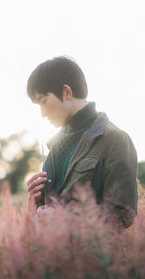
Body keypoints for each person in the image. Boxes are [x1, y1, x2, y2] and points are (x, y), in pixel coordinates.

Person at [26, 56, 138, 227]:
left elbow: (123, 215)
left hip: (96, 254)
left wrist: (62, 219)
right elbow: (47, 217)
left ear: (66, 92)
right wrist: (35, 207)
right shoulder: (53, 148)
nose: (42, 113)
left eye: (43, 101)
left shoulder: (115, 139)